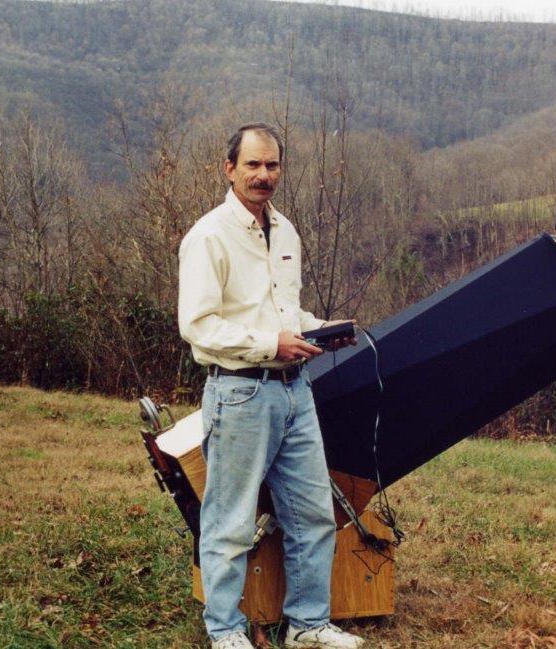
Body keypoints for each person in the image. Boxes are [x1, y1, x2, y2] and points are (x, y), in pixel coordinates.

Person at [178, 123, 363, 649]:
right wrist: (271, 344)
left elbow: (286, 311)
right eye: (253, 165)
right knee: (230, 520)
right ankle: (226, 631)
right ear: (229, 168)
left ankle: (308, 625)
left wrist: (321, 330)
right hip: (239, 393)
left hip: (294, 392)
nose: (264, 175)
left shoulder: (285, 232)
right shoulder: (209, 236)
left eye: (272, 165)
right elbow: (199, 325)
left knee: (311, 513)